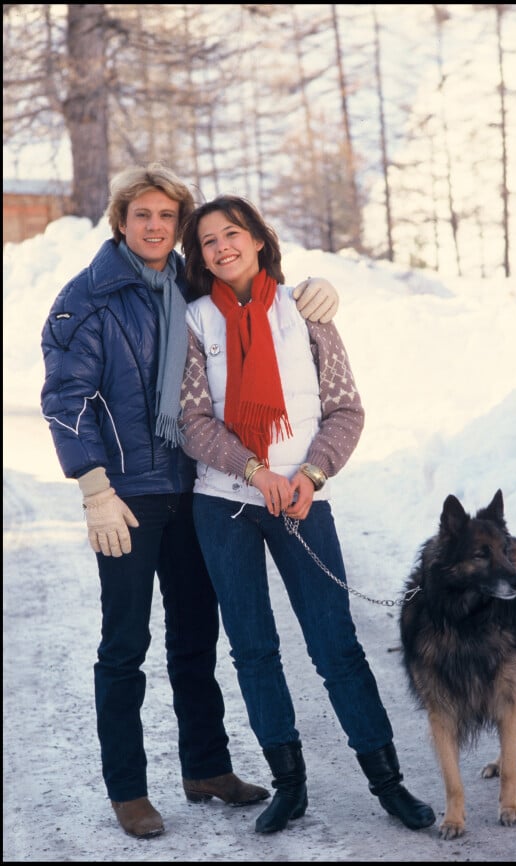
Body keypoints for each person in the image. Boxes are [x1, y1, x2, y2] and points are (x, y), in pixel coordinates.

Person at [39, 163, 340, 840]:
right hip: (125, 498)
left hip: (192, 487)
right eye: (141, 215)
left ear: (179, 226)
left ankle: (205, 767)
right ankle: (128, 789)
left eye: (167, 217)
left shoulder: (190, 284)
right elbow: (64, 402)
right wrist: (93, 489)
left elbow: (254, 301)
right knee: (124, 644)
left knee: (195, 637)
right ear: (121, 222)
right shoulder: (86, 299)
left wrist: (317, 292)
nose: (154, 227)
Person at [178, 194, 436, 835]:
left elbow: (346, 410)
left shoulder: (308, 313)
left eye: (231, 233)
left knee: (335, 645)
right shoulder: (194, 321)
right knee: (254, 650)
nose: (221, 247)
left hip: (301, 502)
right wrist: (254, 471)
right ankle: (288, 786)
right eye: (207, 241)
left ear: (259, 239)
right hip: (223, 503)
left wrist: (310, 475)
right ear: (200, 256)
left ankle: (389, 784)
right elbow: (191, 420)